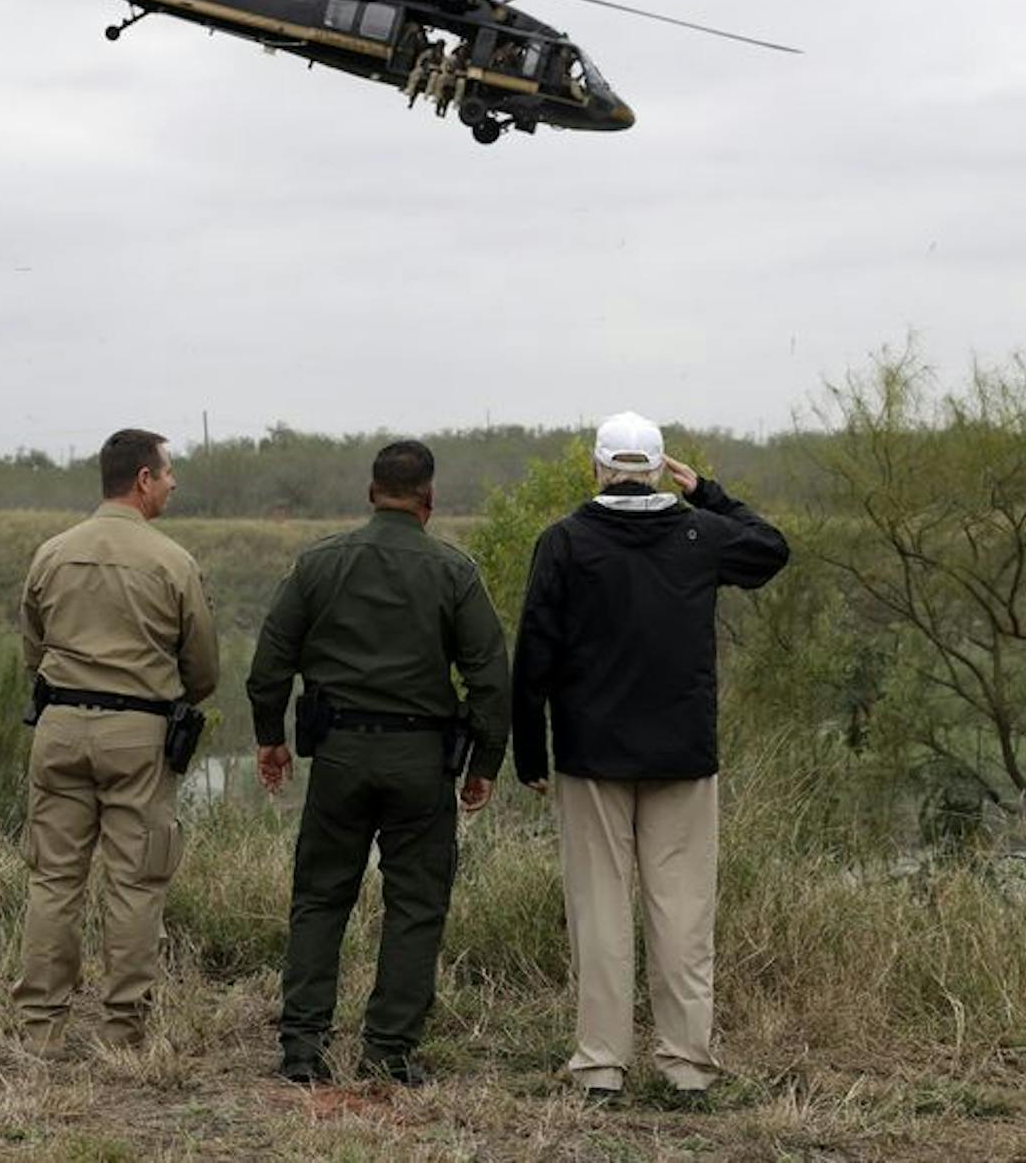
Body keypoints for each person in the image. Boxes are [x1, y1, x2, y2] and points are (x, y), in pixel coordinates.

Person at [511, 411, 789, 1103]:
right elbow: (772, 548)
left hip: (590, 751)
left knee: (600, 906)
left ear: (597, 468)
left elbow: (533, 651)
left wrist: (527, 748)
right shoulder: (701, 534)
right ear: (663, 468)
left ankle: (602, 1062)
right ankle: (686, 1063)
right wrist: (711, 493)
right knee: (684, 908)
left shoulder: (566, 540)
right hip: (683, 752)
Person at [247, 440, 510, 1086]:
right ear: (429, 500)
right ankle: (389, 1050)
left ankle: (303, 1047)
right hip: (422, 760)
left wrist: (270, 737)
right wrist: (484, 761)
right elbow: (491, 679)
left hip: (338, 755)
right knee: (417, 901)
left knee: (319, 895)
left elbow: (269, 662)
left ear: (371, 493)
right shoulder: (455, 571)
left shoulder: (319, 563)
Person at [14, 427, 219, 1056]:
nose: (174, 482)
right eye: (168, 472)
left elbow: (33, 648)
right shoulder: (173, 561)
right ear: (142, 480)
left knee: (53, 880)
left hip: (59, 728)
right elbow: (203, 672)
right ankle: (122, 1031)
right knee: (136, 882)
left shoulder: (51, 553)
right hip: (139, 736)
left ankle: (39, 1029)